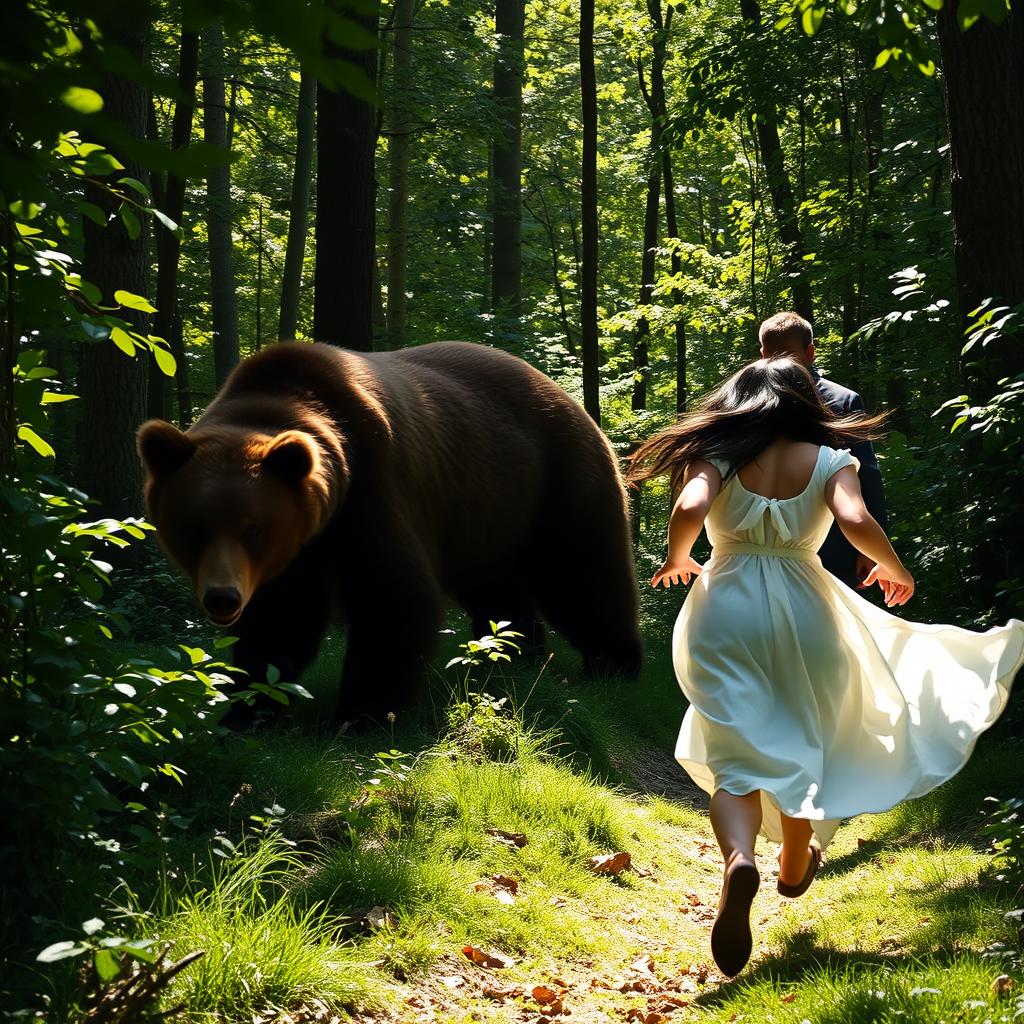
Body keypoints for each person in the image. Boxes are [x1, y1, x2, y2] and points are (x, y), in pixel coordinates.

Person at [627, 356, 1023, 979]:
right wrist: (895, 568)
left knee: (733, 754)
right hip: (808, 609)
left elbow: (689, 508)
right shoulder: (830, 457)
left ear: (743, 397)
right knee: (803, 738)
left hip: (726, 606)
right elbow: (857, 521)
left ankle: (738, 862)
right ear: (801, 400)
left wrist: (680, 557)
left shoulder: (720, 451)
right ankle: (792, 862)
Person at [757, 312, 888, 590]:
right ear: (810, 351)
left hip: (772, 544)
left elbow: (867, 475)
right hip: (826, 543)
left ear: (762, 354)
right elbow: (867, 472)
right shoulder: (842, 399)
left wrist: (867, 549)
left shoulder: (748, 405)